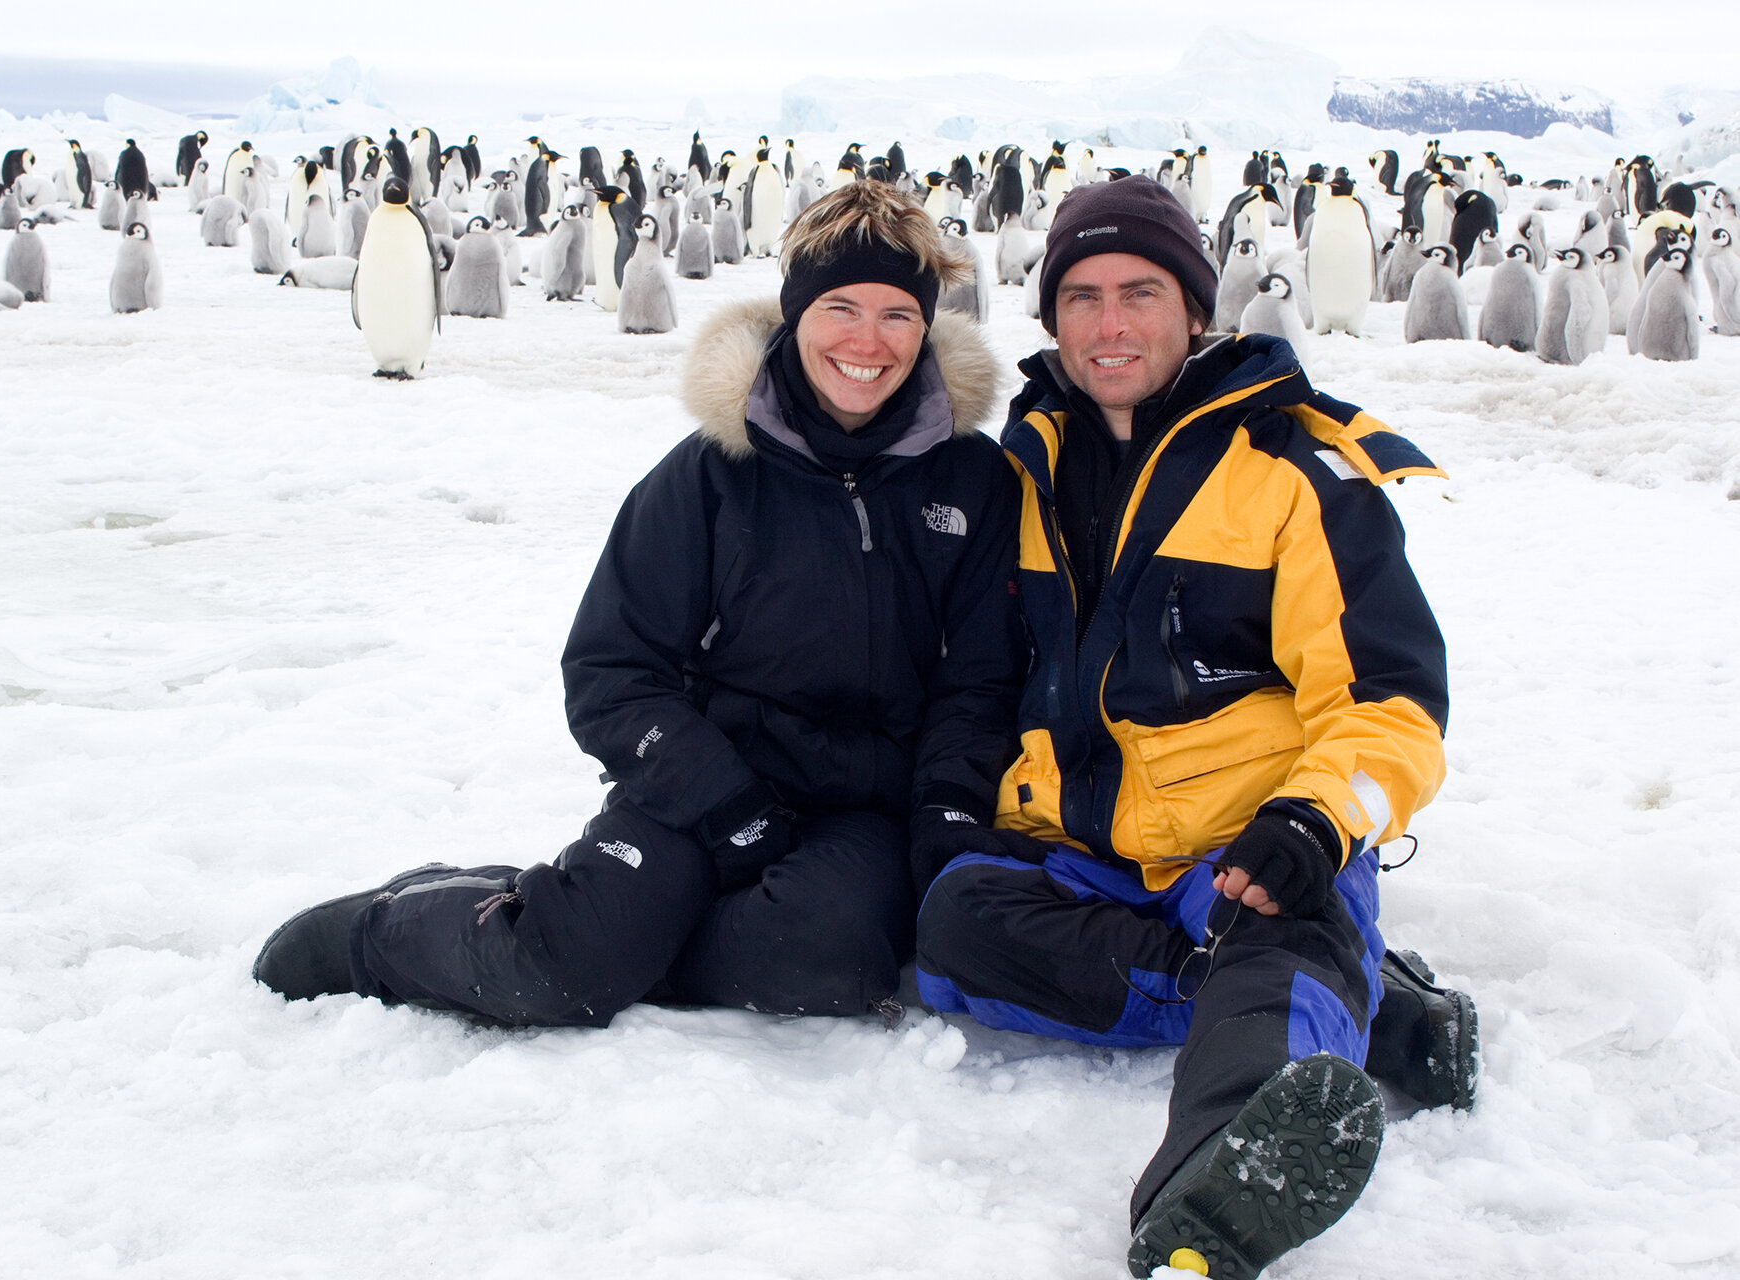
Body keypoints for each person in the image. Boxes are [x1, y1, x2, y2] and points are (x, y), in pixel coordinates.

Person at [253, 181, 1024, 1027]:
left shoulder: (971, 482)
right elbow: (610, 670)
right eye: (841, 308)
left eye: (896, 315)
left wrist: (946, 807)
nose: (867, 342)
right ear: (795, 313)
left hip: (861, 810)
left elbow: (980, 680)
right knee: (554, 974)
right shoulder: (708, 476)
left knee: (817, 960)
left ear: (926, 325)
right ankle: (385, 932)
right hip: (697, 787)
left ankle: (611, 936)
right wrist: (725, 803)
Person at [912, 176, 1477, 1279]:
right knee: (949, 921)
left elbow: (1389, 701)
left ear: (1196, 309)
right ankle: (1352, 995)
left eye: (1139, 292)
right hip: (1089, 857)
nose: (1108, 324)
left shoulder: (1292, 473)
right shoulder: (1027, 467)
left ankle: (1214, 1186)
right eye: (1081, 295)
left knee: (1279, 931)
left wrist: (1316, 822)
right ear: (1051, 317)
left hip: (1247, 846)